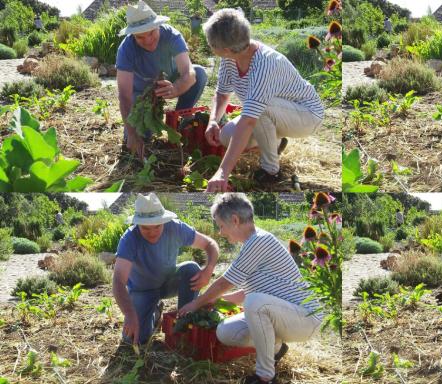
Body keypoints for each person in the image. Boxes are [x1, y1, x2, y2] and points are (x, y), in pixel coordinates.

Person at [178, 193, 322, 384]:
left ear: (235, 220)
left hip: (306, 318)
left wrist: (196, 303)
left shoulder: (259, 240)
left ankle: (265, 377)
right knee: (226, 331)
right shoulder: (251, 243)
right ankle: (276, 349)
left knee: (254, 303)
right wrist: (216, 301)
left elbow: (225, 282)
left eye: (221, 226)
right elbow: (246, 293)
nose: (220, 232)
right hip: (285, 316)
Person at [201, 9, 324, 191]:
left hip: (307, 115)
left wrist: (222, 172)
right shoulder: (230, 58)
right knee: (226, 136)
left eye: (211, 44)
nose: (209, 47)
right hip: (278, 112)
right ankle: (275, 142)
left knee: (259, 110)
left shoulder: (265, 64)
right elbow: (222, 93)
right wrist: (213, 121)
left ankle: (271, 171)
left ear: (225, 49)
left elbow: (250, 120)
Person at [113, 193, 219, 345]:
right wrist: (129, 314)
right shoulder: (129, 238)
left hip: (168, 282)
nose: (152, 232)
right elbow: (118, 280)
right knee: (134, 340)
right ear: (137, 224)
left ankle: (185, 321)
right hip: (142, 290)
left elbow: (210, 244)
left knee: (191, 269)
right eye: (146, 228)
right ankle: (154, 312)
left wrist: (209, 269)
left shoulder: (175, 227)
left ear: (164, 221)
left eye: (157, 226)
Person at [116, 0, 208, 159]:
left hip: (171, 79)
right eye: (140, 37)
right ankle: (144, 129)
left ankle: (180, 117)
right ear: (133, 36)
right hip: (141, 92)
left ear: (158, 26)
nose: (148, 40)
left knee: (199, 73)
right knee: (139, 138)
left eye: (151, 33)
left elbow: (189, 73)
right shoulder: (126, 49)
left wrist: (176, 88)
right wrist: (131, 133)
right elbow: (124, 95)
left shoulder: (172, 35)